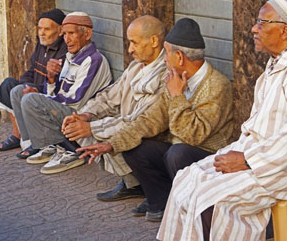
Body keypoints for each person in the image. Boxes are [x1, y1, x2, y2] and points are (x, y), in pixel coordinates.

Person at [157, 0, 287, 240]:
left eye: (262, 23)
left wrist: (248, 160)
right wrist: (242, 154)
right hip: (263, 155)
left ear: (285, 30)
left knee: (210, 200)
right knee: (187, 178)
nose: (253, 29)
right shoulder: (277, 65)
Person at [77, 18, 234, 222]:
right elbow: (148, 121)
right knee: (136, 147)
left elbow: (193, 136)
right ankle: (161, 201)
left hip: (207, 153)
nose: (164, 58)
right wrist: (111, 144)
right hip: (177, 150)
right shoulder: (175, 77)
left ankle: (192, 207)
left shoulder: (217, 85)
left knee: (177, 153)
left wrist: (178, 97)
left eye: (167, 52)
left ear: (179, 56)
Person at [47, 15, 168, 201]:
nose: (130, 50)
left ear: (153, 41)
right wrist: (85, 115)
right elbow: (109, 97)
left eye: (134, 43)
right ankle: (132, 183)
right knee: (85, 126)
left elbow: (139, 122)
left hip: (152, 137)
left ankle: (148, 186)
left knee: (105, 132)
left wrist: (91, 127)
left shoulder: (166, 74)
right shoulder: (136, 67)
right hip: (130, 126)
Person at [14, 12, 112, 173]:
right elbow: (56, 92)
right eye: (65, 34)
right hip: (67, 108)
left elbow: (75, 102)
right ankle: (49, 144)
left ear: (86, 34)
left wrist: (40, 97)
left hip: (82, 115)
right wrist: (51, 78)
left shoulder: (93, 60)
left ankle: (69, 150)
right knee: (19, 92)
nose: (67, 39)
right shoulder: (70, 57)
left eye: (72, 33)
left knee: (30, 99)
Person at [0, 9, 67, 152]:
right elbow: (32, 70)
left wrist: (32, 88)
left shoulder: (64, 51)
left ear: (60, 31)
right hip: (34, 86)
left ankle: (35, 141)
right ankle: (17, 134)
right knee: (8, 85)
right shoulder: (41, 44)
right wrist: (25, 84)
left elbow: (55, 84)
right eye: (39, 28)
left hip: (50, 92)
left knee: (20, 91)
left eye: (47, 29)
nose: (41, 33)